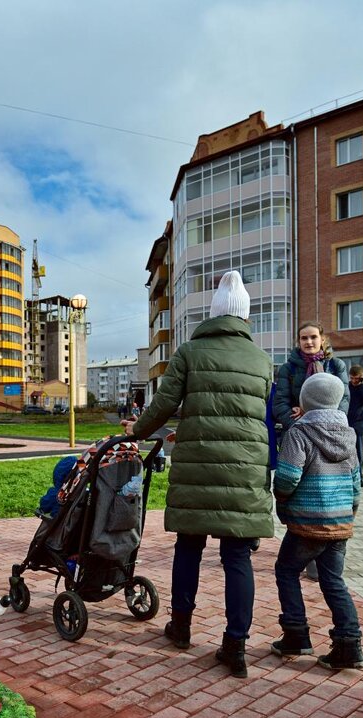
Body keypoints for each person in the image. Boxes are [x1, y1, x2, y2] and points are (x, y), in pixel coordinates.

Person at [120, 270, 273, 679]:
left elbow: (165, 403)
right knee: (237, 556)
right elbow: (250, 413)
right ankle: (236, 645)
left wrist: (137, 431)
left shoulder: (189, 352)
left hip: (197, 466)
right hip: (245, 468)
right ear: (245, 317)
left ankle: (181, 627)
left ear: (214, 313)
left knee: (189, 547)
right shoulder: (262, 361)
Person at [271, 372, 363, 671]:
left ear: (305, 401)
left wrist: (281, 498)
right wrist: (348, 515)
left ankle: (296, 635)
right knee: (333, 581)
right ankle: (350, 646)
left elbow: (287, 477)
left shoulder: (298, 433)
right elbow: (356, 484)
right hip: (339, 523)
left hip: (306, 523)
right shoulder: (349, 435)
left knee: (286, 571)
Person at [272, 322, 349, 581]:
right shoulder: (289, 369)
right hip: (299, 438)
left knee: (329, 492)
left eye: (313, 337)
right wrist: (299, 423)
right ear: (298, 341)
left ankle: (328, 557)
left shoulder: (336, 365)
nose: (308, 342)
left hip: (332, 437)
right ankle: (306, 551)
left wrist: (321, 418)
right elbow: (280, 404)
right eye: (303, 338)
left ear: (322, 339)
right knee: (303, 492)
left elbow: (343, 399)